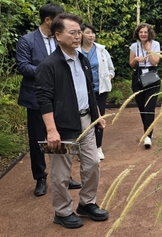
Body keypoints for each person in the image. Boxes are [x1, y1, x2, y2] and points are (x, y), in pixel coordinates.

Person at [35, 13, 109, 229]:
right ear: (58, 35)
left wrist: (97, 116)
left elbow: (88, 90)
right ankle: (63, 211)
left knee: (93, 164)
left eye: (79, 32)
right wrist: (51, 130)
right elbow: (44, 99)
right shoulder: (48, 66)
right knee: (61, 174)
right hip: (62, 127)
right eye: (73, 33)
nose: (78, 36)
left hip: (86, 122)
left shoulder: (82, 59)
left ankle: (86, 203)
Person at [16, 3, 81, 196]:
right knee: (38, 140)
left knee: (63, 137)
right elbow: (22, 66)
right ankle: (40, 178)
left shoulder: (61, 40)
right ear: (48, 20)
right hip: (35, 98)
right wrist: (48, 73)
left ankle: (65, 176)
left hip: (61, 100)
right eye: (59, 19)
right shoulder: (27, 40)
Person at [78, 23, 115, 160]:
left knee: (99, 119)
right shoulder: (76, 51)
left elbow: (111, 69)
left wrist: (108, 78)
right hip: (82, 92)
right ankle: (84, 149)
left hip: (99, 90)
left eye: (93, 33)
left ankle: (98, 147)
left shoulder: (101, 50)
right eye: (88, 32)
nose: (91, 35)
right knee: (83, 119)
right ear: (81, 34)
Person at [129, 23, 161, 149]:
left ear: (149, 33)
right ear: (137, 33)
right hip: (138, 77)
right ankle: (147, 131)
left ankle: (147, 136)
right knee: (142, 107)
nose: (143, 34)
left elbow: (155, 61)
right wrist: (136, 60)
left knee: (149, 107)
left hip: (151, 77)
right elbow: (131, 64)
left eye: (145, 32)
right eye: (141, 32)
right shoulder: (134, 46)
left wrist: (148, 50)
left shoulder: (155, 44)